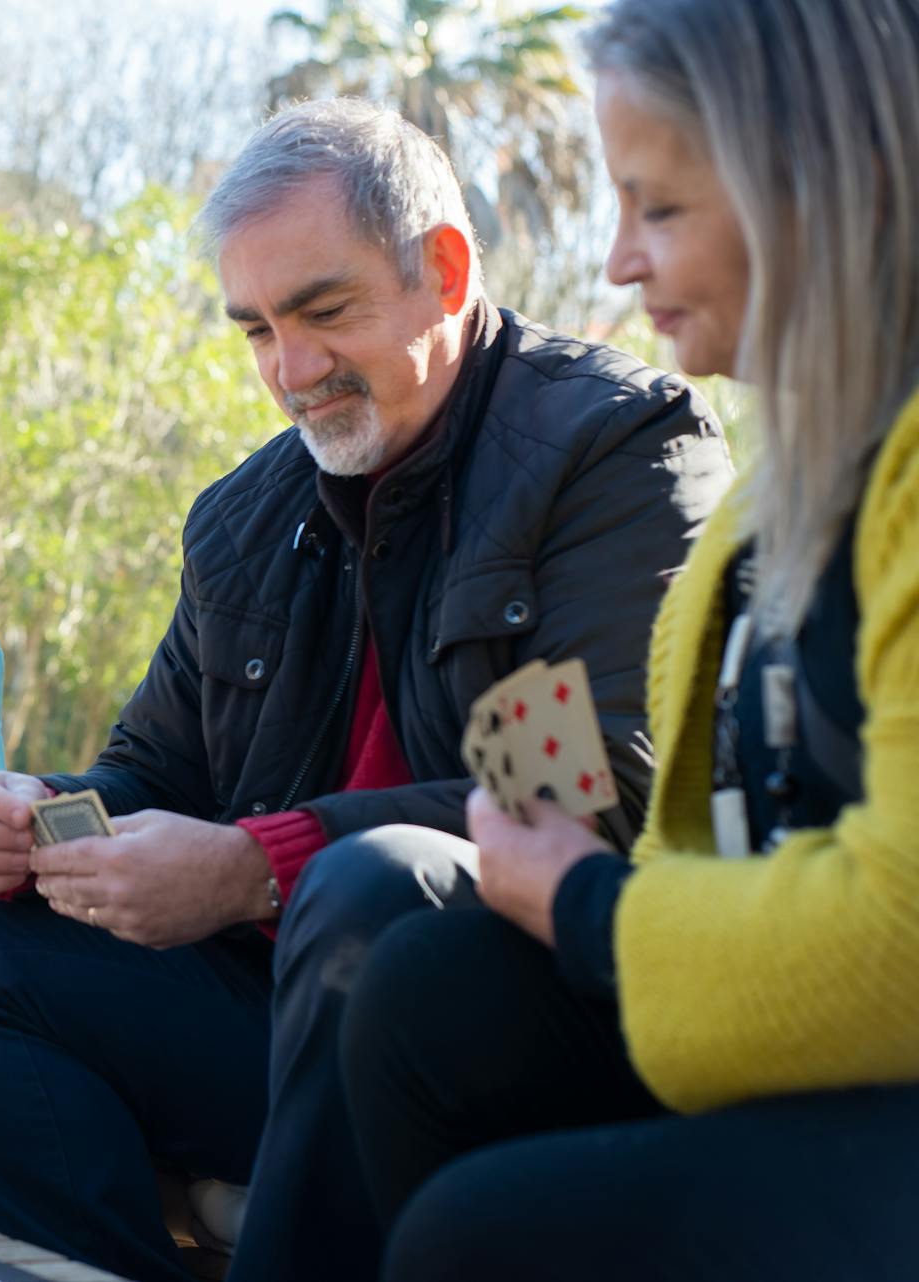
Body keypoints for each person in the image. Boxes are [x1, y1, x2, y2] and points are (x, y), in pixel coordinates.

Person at [0, 98, 735, 1282]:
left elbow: (593, 795)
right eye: (258, 331)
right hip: (291, 1017)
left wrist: (254, 863)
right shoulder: (245, 518)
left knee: (363, 885)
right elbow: (155, 772)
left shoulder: (614, 447)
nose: (292, 370)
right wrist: (38, 819)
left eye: (324, 312)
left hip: (529, 1015)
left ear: (443, 268)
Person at [337, 2, 919, 1278]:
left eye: (659, 210)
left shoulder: (651, 449)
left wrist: (586, 901)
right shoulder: (772, 506)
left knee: (465, 1239)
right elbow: (694, 846)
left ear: (822, 192)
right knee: (421, 987)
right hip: (753, 1040)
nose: (615, 263)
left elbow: (902, 932)